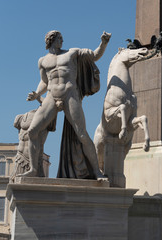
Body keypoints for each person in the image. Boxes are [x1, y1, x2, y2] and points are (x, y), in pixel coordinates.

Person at [23, 30, 111, 178]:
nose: (62, 41)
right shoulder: (42, 61)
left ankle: (96, 171)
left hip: (70, 94)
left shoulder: (72, 52)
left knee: (82, 134)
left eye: (62, 38)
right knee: (32, 131)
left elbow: (95, 56)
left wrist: (103, 43)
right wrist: (37, 94)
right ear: (51, 40)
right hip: (51, 96)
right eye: (59, 38)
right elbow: (45, 81)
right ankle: (33, 169)